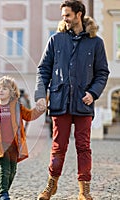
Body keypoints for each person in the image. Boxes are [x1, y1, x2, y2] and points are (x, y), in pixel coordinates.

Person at [34, 1, 109, 200]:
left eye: (67, 15)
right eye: (63, 15)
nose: (64, 19)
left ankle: (84, 190)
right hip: (60, 101)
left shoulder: (96, 42)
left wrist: (93, 93)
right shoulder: (55, 40)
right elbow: (43, 70)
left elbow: (102, 72)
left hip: (83, 103)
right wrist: (41, 95)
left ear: (79, 14)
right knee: (58, 146)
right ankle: (51, 185)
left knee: (83, 146)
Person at [0, 76, 45, 200]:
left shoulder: (17, 106)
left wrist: (39, 109)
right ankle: (3, 193)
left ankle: (5, 190)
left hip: (15, 144)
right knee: (5, 169)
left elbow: (29, 116)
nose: (1, 90)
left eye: (4, 88)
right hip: (1, 145)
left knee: (12, 171)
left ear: (12, 92)